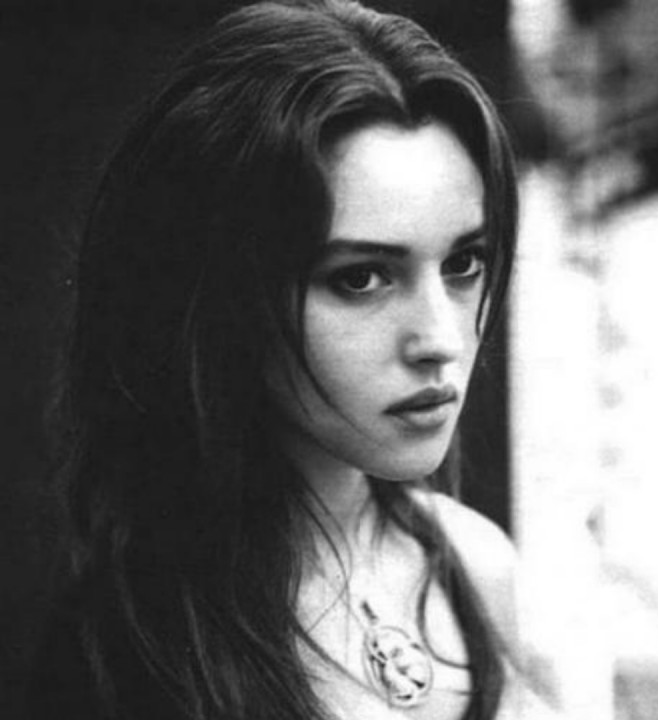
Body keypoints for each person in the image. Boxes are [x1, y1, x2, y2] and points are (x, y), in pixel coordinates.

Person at [24, 1, 562, 718]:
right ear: (218, 298)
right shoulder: (131, 650)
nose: (441, 339)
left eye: (464, 262)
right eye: (360, 278)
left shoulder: (479, 564)